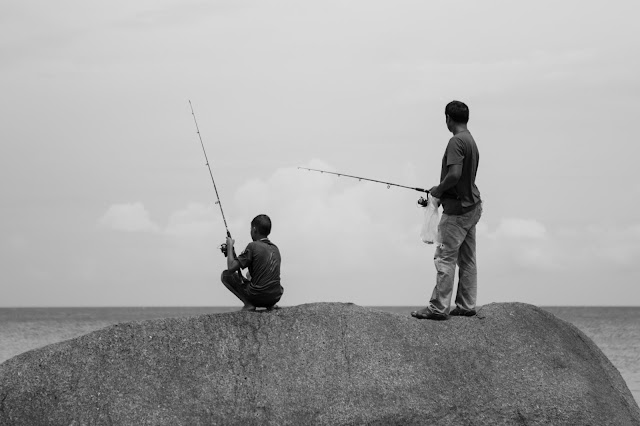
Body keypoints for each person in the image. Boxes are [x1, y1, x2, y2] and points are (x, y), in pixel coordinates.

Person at [412, 100, 482, 321]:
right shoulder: (471, 141)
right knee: (468, 258)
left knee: (445, 258)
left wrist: (438, 190)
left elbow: (454, 176)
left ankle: (438, 308)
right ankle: (466, 305)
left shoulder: (456, 142)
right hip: (472, 207)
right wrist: (439, 196)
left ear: (448, 119)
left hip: (457, 213)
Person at [220, 214, 283, 311]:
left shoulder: (252, 246)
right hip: (275, 297)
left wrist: (229, 246)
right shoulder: (275, 248)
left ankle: (248, 304)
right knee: (249, 275)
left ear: (254, 229)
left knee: (226, 275)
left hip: (257, 297)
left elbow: (231, 267)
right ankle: (270, 305)